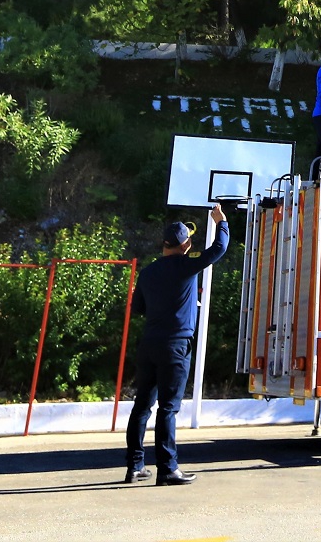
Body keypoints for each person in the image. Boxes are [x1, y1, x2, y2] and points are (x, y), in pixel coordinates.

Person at [124, 208, 230, 485]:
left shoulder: (147, 273)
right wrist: (222, 221)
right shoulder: (187, 264)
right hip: (176, 345)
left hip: (149, 344)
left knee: (141, 407)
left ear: (164, 245)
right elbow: (219, 248)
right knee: (168, 409)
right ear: (186, 245)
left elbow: (138, 309)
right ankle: (168, 469)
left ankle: (135, 467)